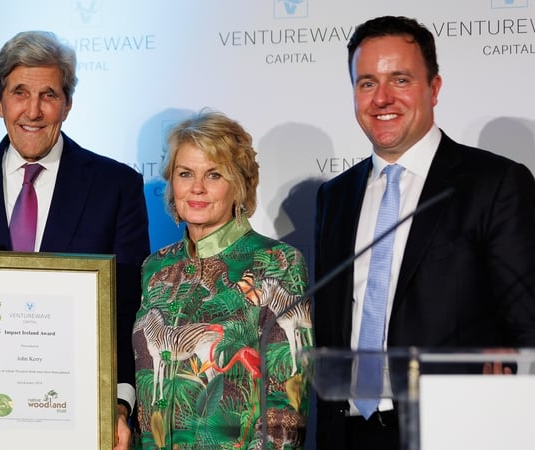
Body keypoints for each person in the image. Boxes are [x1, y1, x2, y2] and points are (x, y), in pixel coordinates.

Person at [313, 15, 535, 450]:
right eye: (366, 83)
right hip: (350, 432)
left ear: (434, 88)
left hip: (458, 432)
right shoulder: (335, 197)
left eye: (400, 79)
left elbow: (528, 327)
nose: (382, 98)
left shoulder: (495, 183)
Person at [0, 30, 150, 448]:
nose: (32, 111)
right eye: (19, 92)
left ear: (67, 104)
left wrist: (119, 404)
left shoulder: (115, 186)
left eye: (48, 94)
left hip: (80, 419)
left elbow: (129, 306)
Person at [132, 110, 312, 449]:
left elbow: (286, 404)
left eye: (214, 175)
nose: (197, 188)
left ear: (239, 186)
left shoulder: (278, 262)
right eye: (185, 174)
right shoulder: (154, 268)